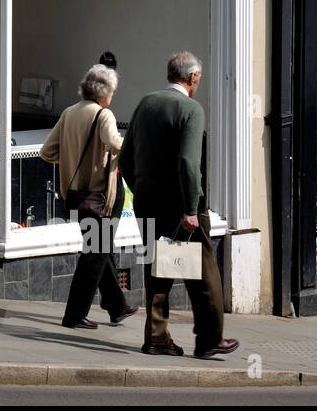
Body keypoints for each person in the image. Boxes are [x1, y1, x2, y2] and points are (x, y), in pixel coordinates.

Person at [119, 51, 238, 359]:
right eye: (199, 78)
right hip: (182, 207)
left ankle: (157, 338)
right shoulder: (191, 109)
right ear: (193, 78)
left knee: (158, 271)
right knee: (203, 272)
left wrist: (140, 190)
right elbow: (188, 162)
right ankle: (210, 338)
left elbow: (125, 158)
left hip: (148, 204)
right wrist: (189, 209)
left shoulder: (146, 103)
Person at [41, 63, 137, 329]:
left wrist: (72, 162)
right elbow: (115, 142)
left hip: (78, 196)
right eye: (113, 92)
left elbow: (47, 152)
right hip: (101, 197)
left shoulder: (69, 112)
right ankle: (73, 315)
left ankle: (116, 306)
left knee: (99, 251)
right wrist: (136, 147)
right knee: (95, 254)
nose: (113, 97)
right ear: (103, 92)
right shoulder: (103, 115)